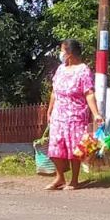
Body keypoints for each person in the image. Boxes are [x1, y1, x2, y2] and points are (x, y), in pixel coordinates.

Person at [43, 39, 103, 190]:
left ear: (69, 54)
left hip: (76, 116)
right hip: (59, 115)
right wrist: (50, 110)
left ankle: (74, 180)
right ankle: (60, 177)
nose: (60, 54)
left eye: (62, 50)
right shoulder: (60, 69)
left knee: (74, 148)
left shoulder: (84, 71)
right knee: (56, 147)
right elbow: (54, 91)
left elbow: (89, 93)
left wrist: (96, 114)